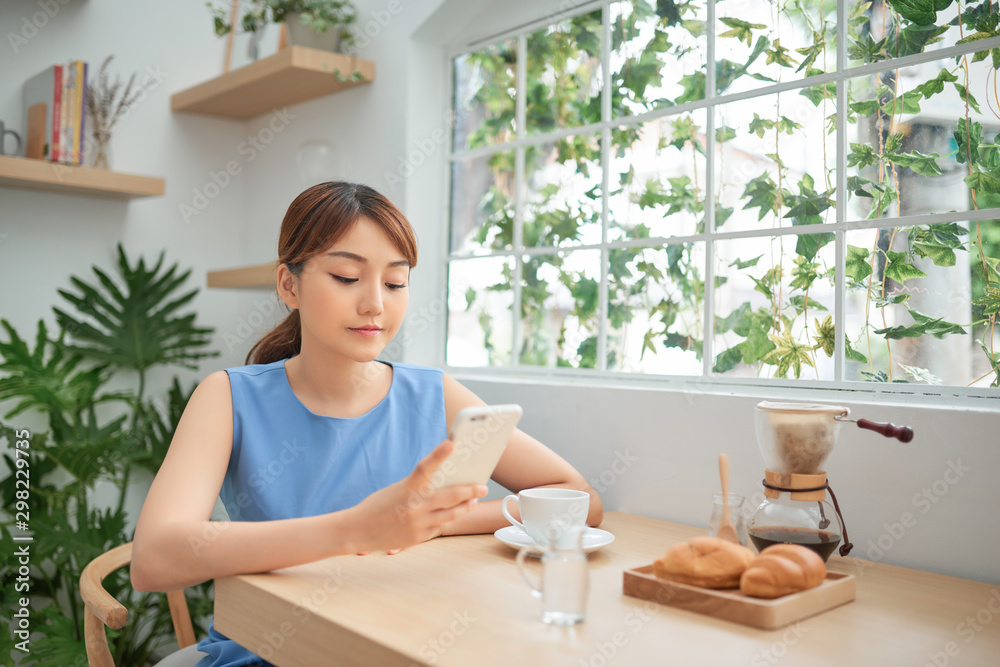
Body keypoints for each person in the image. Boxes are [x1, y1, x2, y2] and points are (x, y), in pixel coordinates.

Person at [131, 181, 603, 667]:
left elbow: (579, 499)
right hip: (272, 651)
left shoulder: (433, 395)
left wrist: (429, 523)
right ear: (289, 285)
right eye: (346, 276)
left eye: (395, 283)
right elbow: (154, 559)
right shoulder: (229, 396)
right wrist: (356, 529)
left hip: (402, 645)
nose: (376, 303)